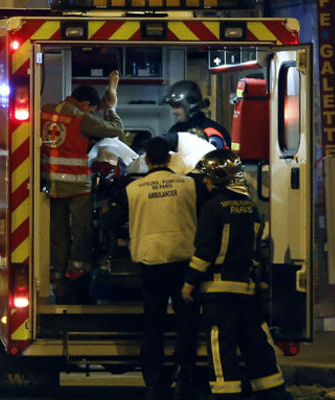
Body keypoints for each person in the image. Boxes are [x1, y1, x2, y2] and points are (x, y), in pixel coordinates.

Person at [181, 150, 293, 400]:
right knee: (257, 344)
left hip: (218, 293)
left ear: (219, 177)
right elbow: (258, 249)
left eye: (208, 176)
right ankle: (273, 393)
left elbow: (205, 252)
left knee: (221, 347)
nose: (205, 181)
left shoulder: (212, 208)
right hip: (247, 291)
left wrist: (189, 283)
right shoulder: (251, 207)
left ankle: (226, 395)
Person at [124, 137, 200, 400]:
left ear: (146, 160)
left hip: (150, 261)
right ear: (169, 158)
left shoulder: (133, 189)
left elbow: (114, 220)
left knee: (153, 321)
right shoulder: (189, 184)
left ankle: (154, 380)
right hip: (183, 260)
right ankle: (184, 374)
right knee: (186, 320)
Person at [41, 70, 124, 303]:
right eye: (92, 110)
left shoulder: (45, 111)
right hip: (78, 188)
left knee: (57, 236)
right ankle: (78, 273)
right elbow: (116, 130)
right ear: (86, 104)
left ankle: (57, 279)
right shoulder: (81, 118)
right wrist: (111, 108)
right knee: (81, 233)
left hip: (52, 186)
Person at [161, 80, 230, 150]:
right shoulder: (175, 130)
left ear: (191, 105)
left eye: (177, 106)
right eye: (173, 107)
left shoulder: (212, 131)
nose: (173, 111)